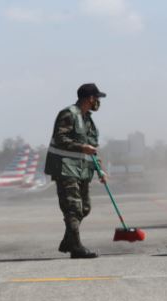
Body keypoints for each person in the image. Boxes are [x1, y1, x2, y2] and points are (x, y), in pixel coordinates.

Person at [44, 83, 107, 259]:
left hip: (82, 170)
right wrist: (81, 147)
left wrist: (100, 169)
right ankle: (76, 247)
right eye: (97, 98)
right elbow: (60, 138)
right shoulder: (68, 114)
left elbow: (92, 149)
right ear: (90, 98)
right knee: (73, 208)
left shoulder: (88, 119)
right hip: (65, 168)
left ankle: (68, 241)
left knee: (84, 208)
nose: (98, 102)